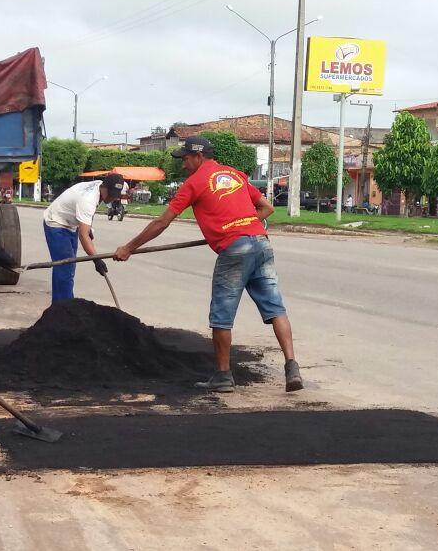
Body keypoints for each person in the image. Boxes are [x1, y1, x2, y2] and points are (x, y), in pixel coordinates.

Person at [113, 136, 302, 393]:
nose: (183, 165)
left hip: (236, 250)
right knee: (275, 308)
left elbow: (162, 222)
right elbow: (267, 208)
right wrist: (240, 224)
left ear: (199, 156)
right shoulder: (235, 175)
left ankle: (223, 376)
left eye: (186, 159)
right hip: (261, 243)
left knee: (221, 316)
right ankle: (292, 367)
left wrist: (129, 248)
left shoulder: (194, 183)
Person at [42, 173, 125, 303]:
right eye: (111, 193)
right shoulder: (88, 199)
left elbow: (86, 223)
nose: (113, 197)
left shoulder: (98, 187)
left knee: (66, 269)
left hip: (71, 224)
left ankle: (59, 306)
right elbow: (83, 235)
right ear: (104, 187)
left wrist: (88, 228)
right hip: (56, 223)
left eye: (116, 195)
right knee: (65, 269)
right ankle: (65, 310)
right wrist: (97, 260)